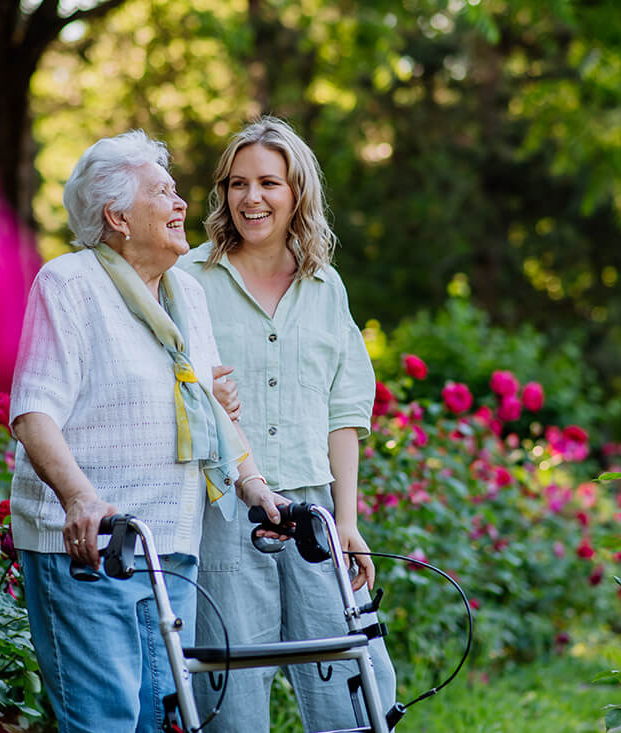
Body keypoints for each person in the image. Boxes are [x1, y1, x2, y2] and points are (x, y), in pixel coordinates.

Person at [8, 130, 285, 733]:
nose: (182, 204)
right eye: (162, 192)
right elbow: (34, 411)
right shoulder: (71, 284)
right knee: (106, 719)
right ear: (117, 216)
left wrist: (254, 484)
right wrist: (80, 497)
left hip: (170, 546)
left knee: (163, 720)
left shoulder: (185, 291)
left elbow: (210, 407)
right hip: (91, 548)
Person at [177, 116, 397, 732]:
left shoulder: (326, 287)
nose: (252, 198)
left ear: (297, 192)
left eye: (269, 183)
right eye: (238, 183)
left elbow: (344, 413)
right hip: (224, 510)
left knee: (353, 685)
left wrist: (346, 521)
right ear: (222, 193)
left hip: (312, 511)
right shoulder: (188, 281)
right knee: (231, 688)